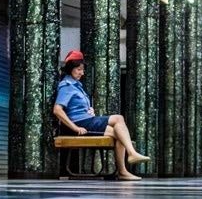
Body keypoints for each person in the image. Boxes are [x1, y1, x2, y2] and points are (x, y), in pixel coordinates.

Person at [51, 50, 148, 180]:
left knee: (119, 132)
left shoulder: (76, 86)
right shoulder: (67, 86)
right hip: (81, 124)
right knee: (118, 118)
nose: (82, 73)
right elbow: (57, 110)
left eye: (82, 70)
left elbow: (75, 107)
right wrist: (75, 128)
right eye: (79, 69)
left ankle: (123, 171)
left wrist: (88, 109)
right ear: (71, 69)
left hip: (86, 119)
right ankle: (131, 154)